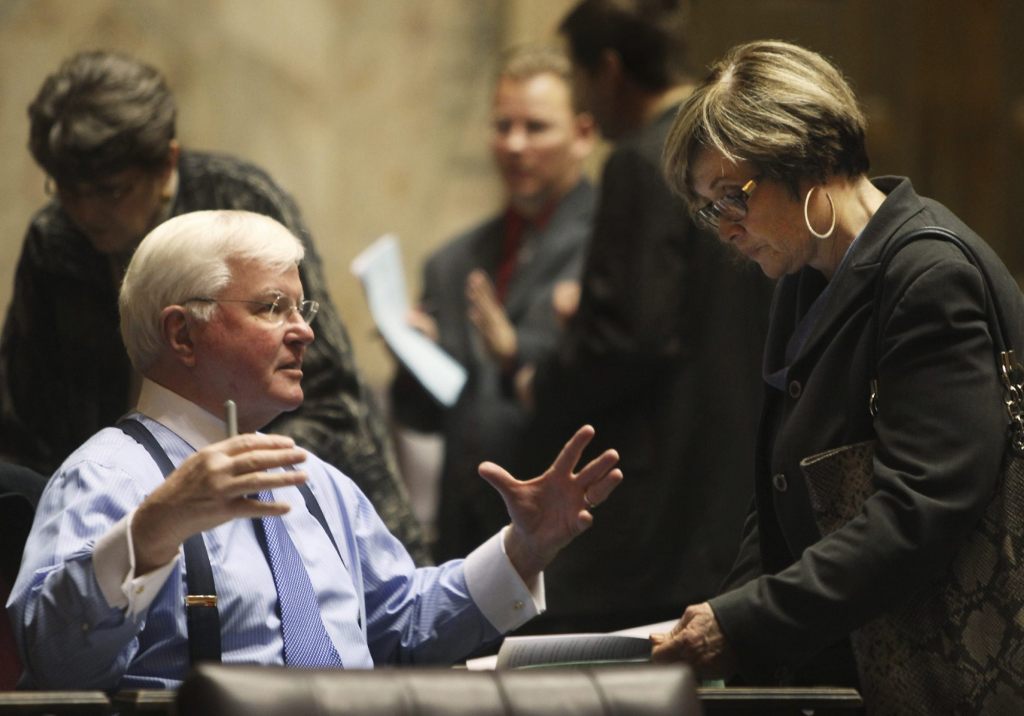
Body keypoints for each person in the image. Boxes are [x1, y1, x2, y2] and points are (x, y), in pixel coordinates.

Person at [6, 210, 623, 690]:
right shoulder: (107, 476)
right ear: (182, 333)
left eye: (302, 308)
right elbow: (57, 665)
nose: (304, 331)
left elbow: (402, 627)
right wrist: (153, 530)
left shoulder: (317, 482)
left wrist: (524, 548)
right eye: (272, 308)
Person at [651, 40, 1024, 714]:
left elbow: (921, 508)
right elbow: (780, 495)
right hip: (851, 665)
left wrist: (746, 622)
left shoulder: (929, 278)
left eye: (732, 198)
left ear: (811, 159)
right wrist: (726, 618)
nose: (725, 230)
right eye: (708, 210)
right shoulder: (805, 277)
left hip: (946, 677)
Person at [0, 50, 429, 564]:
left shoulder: (238, 201)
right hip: (122, 521)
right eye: (67, 191)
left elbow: (332, 399)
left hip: (299, 514)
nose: (86, 212)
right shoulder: (54, 238)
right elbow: (27, 419)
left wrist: (207, 474)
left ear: (167, 163)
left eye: (110, 191)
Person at [470, 0, 774, 633]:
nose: (584, 104)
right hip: (736, 476)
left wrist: (537, 379)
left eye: (580, 81)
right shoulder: (734, 147)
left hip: (657, 511)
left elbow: (629, 335)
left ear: (608, 71)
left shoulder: (643, 158)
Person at [390, 45, 597, 561]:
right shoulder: (452, 263)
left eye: (536, 127)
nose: (514, 144)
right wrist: (415, 358)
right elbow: (423, 418)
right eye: (503, 126)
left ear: (583, 135)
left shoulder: (610, 247)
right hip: (467, 539)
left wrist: (514, 352)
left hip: (574, 539)